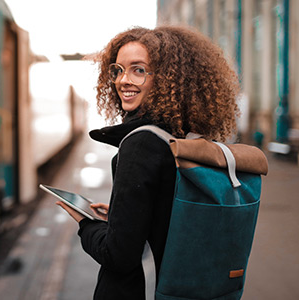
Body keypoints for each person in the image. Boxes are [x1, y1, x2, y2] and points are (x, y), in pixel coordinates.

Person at [56, 26, 240, 299]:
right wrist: (124, 215)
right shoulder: (175, 135)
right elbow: (169, 211)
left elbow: (118, 257)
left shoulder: (140, 144)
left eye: (138, 70)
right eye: (118, 70)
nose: (123, 80)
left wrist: (87, 226)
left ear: (166, 79)